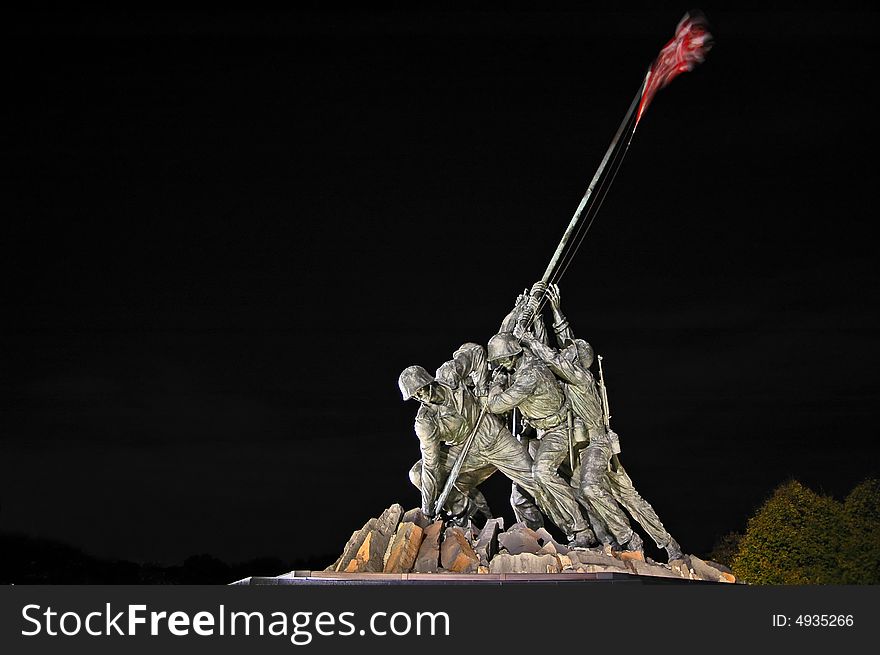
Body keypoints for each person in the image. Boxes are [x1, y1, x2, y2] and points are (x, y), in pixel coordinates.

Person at [525, 282, 684, 561]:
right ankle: (616, 539)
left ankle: (640, 541)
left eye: (568, 355)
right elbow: (563, 343)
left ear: (574, 362)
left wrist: (530, 340)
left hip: (598, 444)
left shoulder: (582, 379)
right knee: (598, 492)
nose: (563, 353)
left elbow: (552, 356)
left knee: (604, 491)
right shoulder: (571, 372)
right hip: (583, 447)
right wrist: (549, 311)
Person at [398, 343, 543, 530]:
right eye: (415, 396)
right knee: (417, 474)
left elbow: (476, 352)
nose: (420, 396)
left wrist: (482, 392)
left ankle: (577, 530)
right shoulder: (425, 422)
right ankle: (468, 513)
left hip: (493, 437)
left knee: (536, 482)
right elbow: (431, 464)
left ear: (428, 381)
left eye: (420, 389)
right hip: (464, 452)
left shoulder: (449, 374)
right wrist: (427, 509)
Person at [486, 328, 597, 548]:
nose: (501, 365)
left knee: (542, 472)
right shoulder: (521, 364)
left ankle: (581, 528)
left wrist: (496, 384)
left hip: (558, 430)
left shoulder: (530, 374)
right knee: (522, 490)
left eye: (502, 360)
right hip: (537, 432)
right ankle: (537, 535)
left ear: (513, 355)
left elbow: (496, 405)